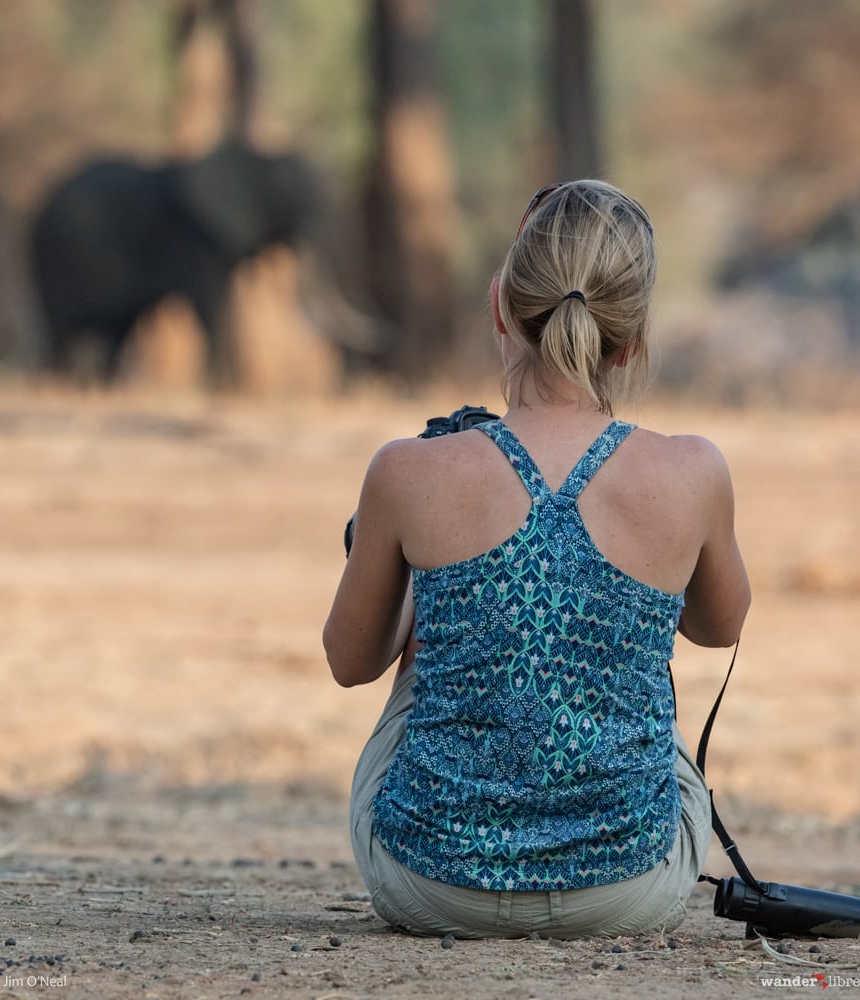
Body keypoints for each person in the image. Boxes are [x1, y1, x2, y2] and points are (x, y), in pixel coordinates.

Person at [322, 180, 751, 939]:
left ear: (499, 306)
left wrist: (433, 585)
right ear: (636, 337)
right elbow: (719, 628)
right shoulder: (694, 471)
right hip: (627, 892)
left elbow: (351, 662)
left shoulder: (408, 470)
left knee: (450, 608)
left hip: (429, 883)